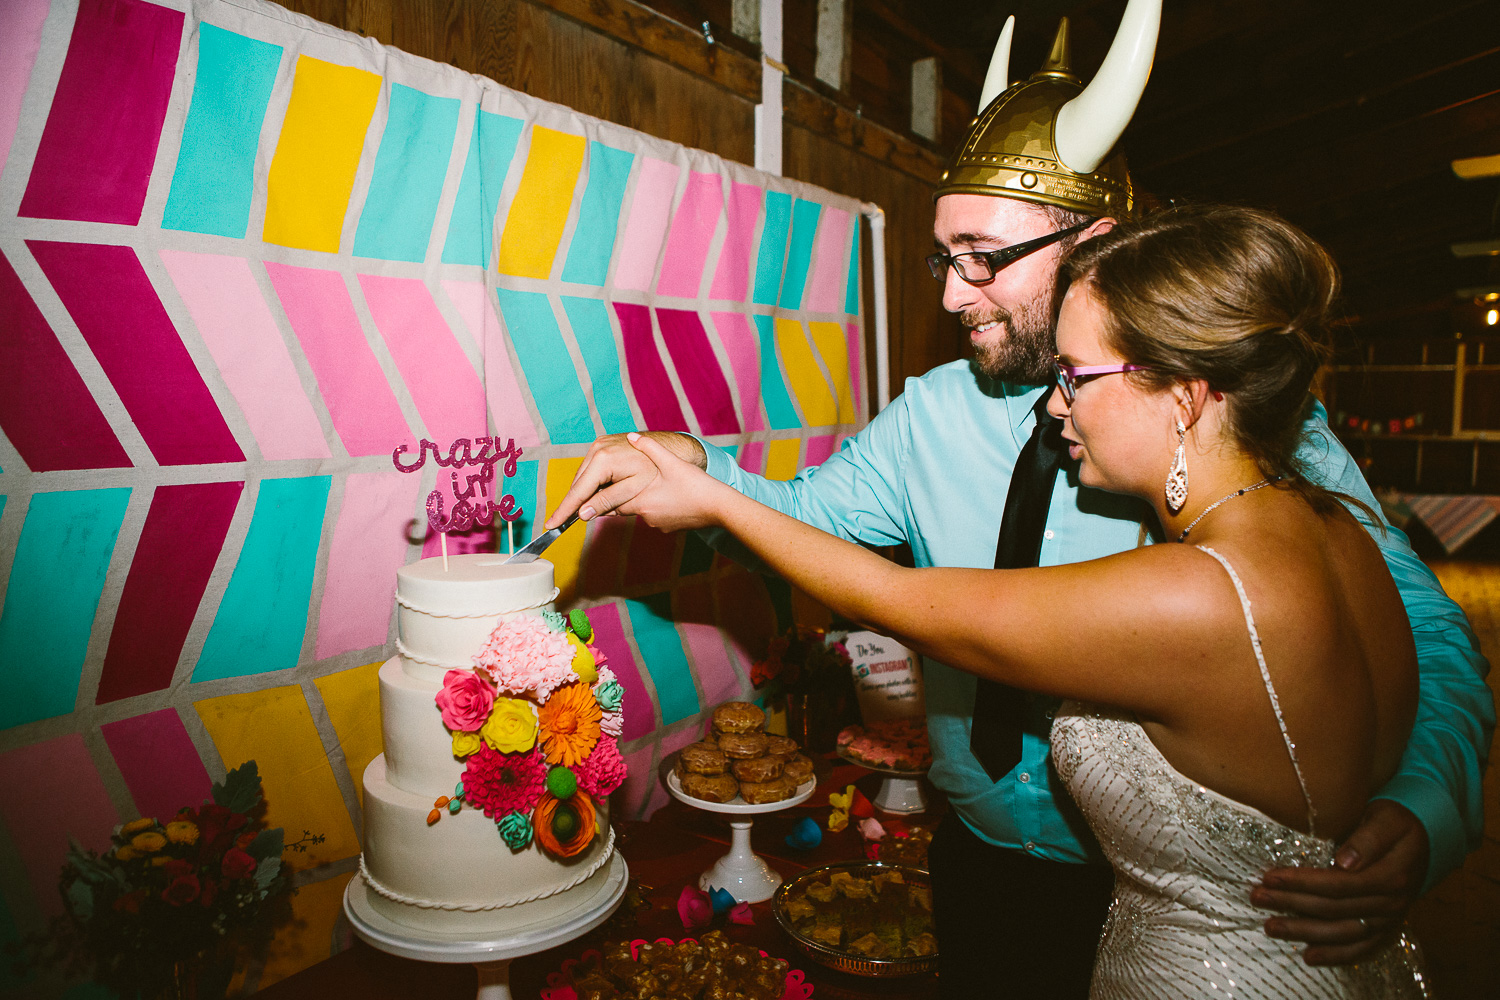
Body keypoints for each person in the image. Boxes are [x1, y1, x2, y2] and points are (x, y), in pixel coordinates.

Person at [547, 2, 1493, 994]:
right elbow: (808, 515)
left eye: (984, 258)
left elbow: (1418, 630)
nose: (954, 295)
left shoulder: (1248, 427)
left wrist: (1427, 805)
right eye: (943, 257)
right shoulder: (928, 414)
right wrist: (703, 474)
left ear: (1099, 244)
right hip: (983, 863)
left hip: (1210, 899)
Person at [611, 204, 1433, 996]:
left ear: (1185, 394)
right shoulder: (1341, 532)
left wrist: (715, 501)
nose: (1053, 402)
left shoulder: (1197, 589)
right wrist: (709, 471)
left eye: (1077, 377)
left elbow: (905, 600)